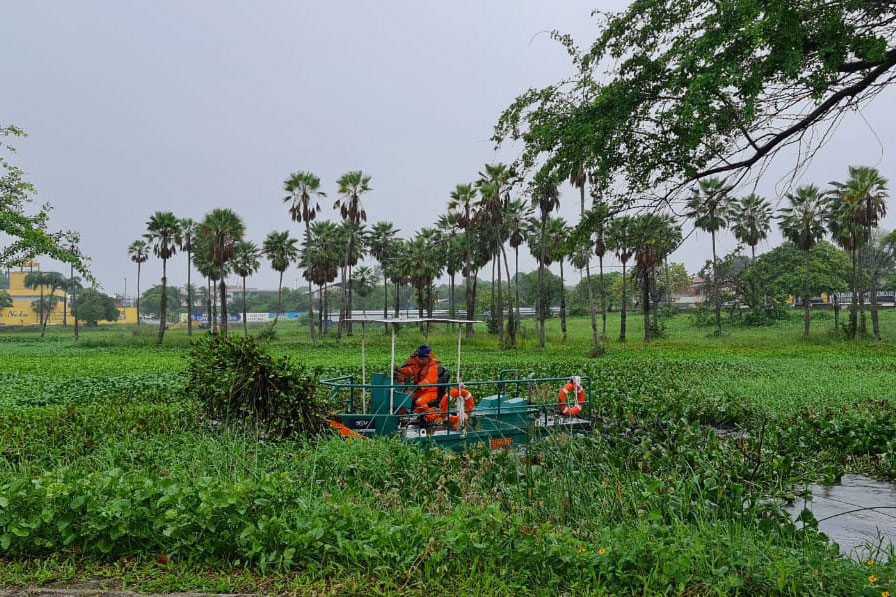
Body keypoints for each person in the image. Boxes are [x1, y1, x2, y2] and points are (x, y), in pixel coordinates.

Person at [395, 344, 444, 419]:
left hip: (430, 391)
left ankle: (433, 416)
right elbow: (409, 371)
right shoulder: (418, 366)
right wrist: (399, 370)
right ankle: (400, 418)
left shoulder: (433, 367)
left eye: (423, 358)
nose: (421, 360)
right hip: (419, 390)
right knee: (405, 398)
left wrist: (418, 385)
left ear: (428, 358)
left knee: (419, 401)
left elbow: (428, 381)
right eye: (420, 358)